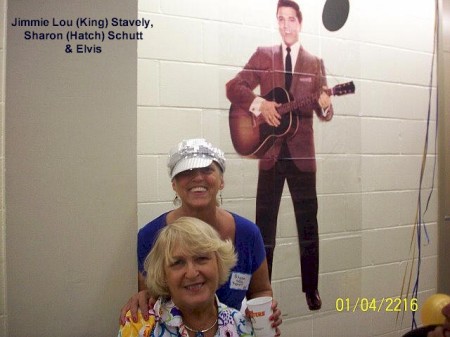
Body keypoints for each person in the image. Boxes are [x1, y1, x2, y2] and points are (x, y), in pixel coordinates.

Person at [226, 0, 333, 311]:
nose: (286, 25)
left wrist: (325, 103)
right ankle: (262, 290)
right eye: (281, 20)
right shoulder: (265, 55)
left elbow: (325, 111)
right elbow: (235, 87)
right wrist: (260, 104)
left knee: (308, 225)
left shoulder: (314, 63)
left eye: (291, 20)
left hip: (302, 159)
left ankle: (311, 288)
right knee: (264, 226)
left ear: (300, 23)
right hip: (270, 153)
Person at [119, 138, 281, 335]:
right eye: (186, 172)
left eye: (207, 170)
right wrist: (142, 298)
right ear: (173, 184)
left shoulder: (248, 234)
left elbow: (260, 290)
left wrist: (261, 315)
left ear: (221, 181)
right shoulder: (150, 237)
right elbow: (149, 295)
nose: (197, 178)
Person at [119, 216, 254, 337]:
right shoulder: (140, 326)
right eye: (178, 263)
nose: (191, 273)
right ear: (163, 274)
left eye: (201, 258)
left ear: (219, 264)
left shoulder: (244, 327)